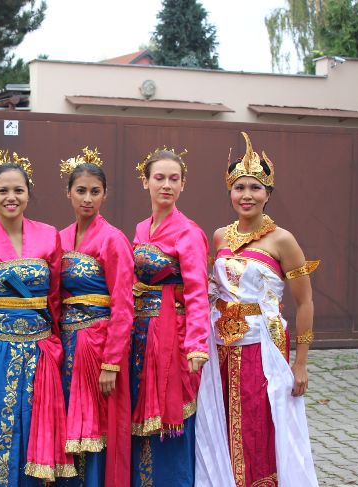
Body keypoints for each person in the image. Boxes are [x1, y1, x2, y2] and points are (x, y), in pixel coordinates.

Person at [195, 132, 319, 487]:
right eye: (239, 188)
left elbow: (305, 302)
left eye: (255, 188)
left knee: (259, 420)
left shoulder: (283, 240)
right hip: (220, 346)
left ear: (268, 194)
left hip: (262, 347)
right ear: (230, 192)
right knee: (222, 417)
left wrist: (300, 362)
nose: (246, 195)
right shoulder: (220, 236)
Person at [0, 149, 75, 486]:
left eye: (18, 190)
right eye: (3, 190)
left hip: (40, 351)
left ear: (28, 194)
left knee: (36, 428)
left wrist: (57, 346)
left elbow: (55, 298)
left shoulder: (49, 235)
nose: (11, 197)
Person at [129, 148, 210, 486]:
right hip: (140, 336)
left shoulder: (188, 232)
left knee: (170, 424)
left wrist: (197, 344)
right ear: (145, 182)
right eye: (159, 178)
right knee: (138, 421)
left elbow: (197, 291)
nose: (166, 185)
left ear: (182, 185)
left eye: (173, 179)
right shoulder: (141, 228)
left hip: (172, 338)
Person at [57, 148, 134, 487]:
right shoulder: (59, 238)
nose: (87, 199)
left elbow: (124, 304)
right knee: (67, 422)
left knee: (100, 426)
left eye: (95, 191)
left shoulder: (114, 239)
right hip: (67, 344)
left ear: (105, 194)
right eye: (81, 191)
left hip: (99, 345)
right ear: (68, 193)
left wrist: (111, 363)